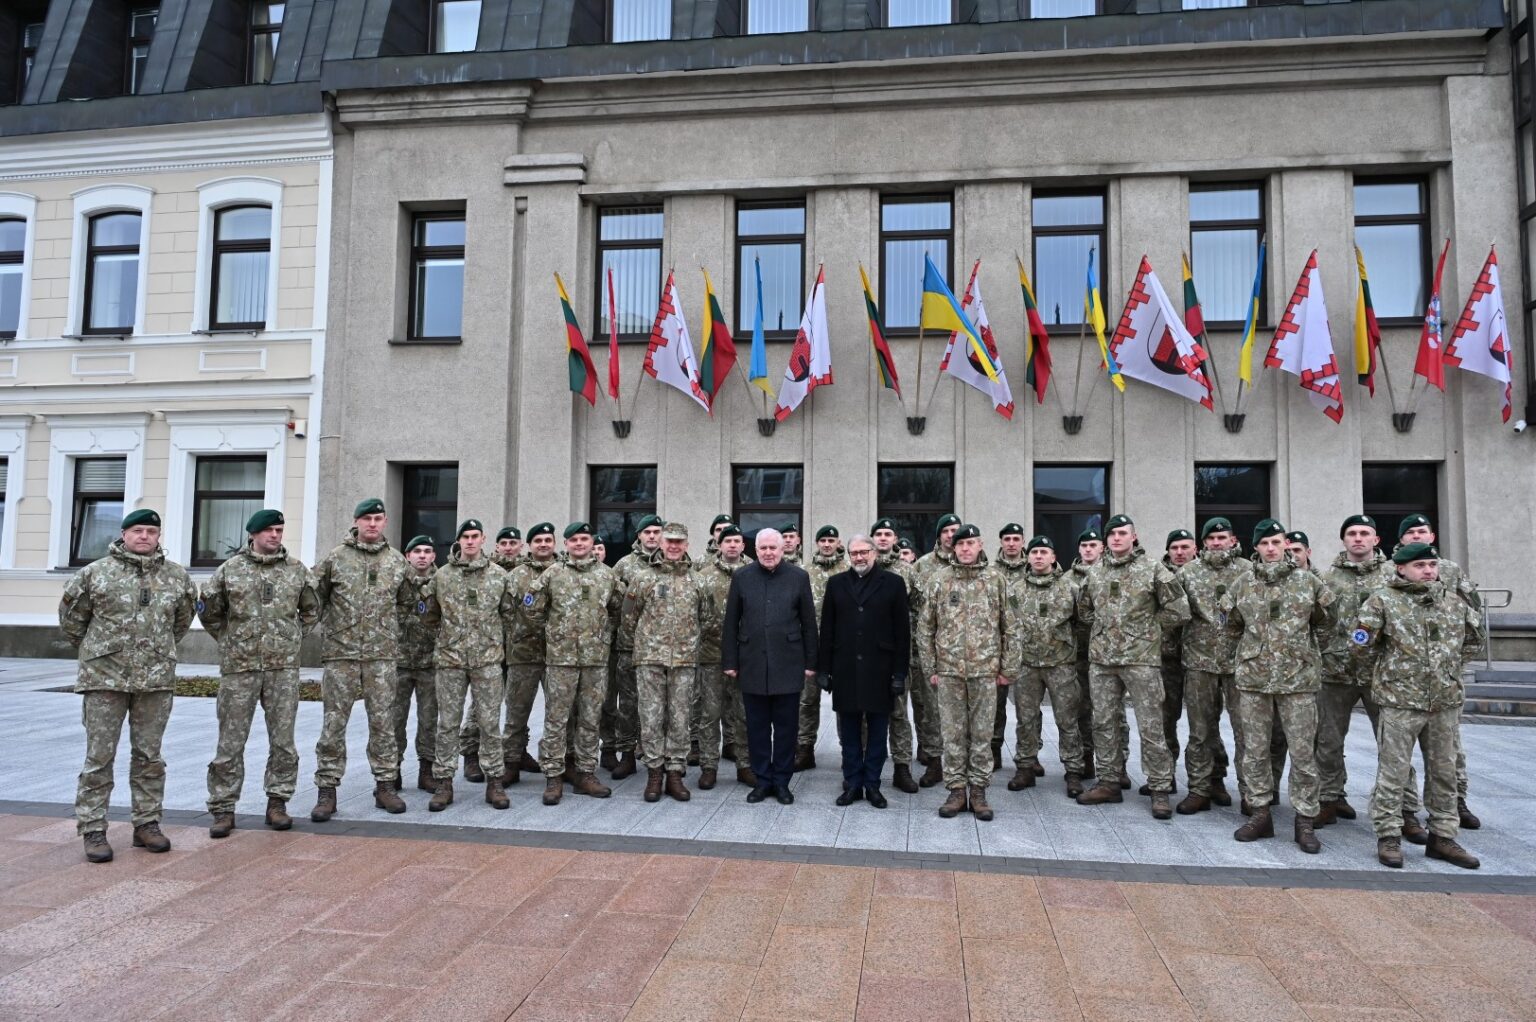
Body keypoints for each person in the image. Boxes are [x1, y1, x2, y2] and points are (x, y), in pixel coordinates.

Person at [59, 509, 197, 863]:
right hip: (104, 679)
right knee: (99, 757)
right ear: (124, 534)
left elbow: (181, 622)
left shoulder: (176, 577)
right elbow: (72, 621)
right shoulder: (95, 574)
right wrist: (101, 653)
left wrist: (155, 651)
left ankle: (147, 824)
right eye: (138, 530)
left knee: (150, 757)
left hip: (155, 679)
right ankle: (93, 828)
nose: (144, 536)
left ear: (159, 535)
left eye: (151, 531)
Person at [1355, 542, 1483, 869]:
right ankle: (1389, 835)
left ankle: (1443, 836)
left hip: (1443, 701)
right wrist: (1391, 675)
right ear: (1401, 569)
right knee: (1393, 772)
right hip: (1400, 702)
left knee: (1444, 771)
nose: (1428, 570)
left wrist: (1448, 671)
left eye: (1431, 565)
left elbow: (1473, 640)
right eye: (1419, 565)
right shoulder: (1383, 601)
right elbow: (1361, 646)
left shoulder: (1453, 603)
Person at [200, 509, 321, 837]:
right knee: (230, 742)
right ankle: (223, 807)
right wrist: (230, 640)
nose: (275, 535)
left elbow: (311, 609)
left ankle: (277, 802)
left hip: (282, 669)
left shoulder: (296, 570)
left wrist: (292, 638)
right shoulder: (230, 570)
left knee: (283, 741)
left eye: (279, 529)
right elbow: (210, 612)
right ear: (253, 534)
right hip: (240, 669)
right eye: (268, 530)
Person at [1223, 520, 1335, 852]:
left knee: (1302, 753)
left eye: (1276, 542)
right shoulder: (1242, 583)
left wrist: (1303, 654)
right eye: (1264, 543)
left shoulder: (1308, 582)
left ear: (1286, 544)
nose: (1271, 548)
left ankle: (1305, 820)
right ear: (1255, 547)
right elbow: (1230, 625)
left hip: (1298, 680)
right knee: (1255, 750)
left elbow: (1327, 623)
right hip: (1255, 679)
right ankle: (1260, 812)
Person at [310, 498, 419, 821]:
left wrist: (386, 631)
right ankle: (327, 790)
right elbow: (315, 598)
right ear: (356, 521)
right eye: (367, 518)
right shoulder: (336, 558)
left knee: (384, 723)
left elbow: (407, 602)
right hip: (341, 655)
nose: (372, 524)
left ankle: (385, 786)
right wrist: (333, 630)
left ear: (385, 522)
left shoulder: (396, 562)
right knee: (333, 724)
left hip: (381, 657)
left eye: (378, 519)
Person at [1075, 514, 1190, 819]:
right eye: (1111, 534)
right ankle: (1109, 781)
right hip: (1102, 660)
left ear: (1133, 537)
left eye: (1122, 533)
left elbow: (1179, 610)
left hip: (1141, 660)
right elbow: (1084, 610)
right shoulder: (1095, 571)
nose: (1116, 538)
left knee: (1151, 725)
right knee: (1104, 723)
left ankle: (1160, 788)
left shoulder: (1153, 569)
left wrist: (1147, 629)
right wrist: (1105, 630)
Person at [919, 524, 1019, 821]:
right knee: (952, 733)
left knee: (982, 734)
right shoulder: (939, 580)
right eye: (960, 544)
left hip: (985, 672)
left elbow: (1012, 627)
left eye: (970, 543)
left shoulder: (996, 579)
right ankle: (956, 790)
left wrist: (1008, 668)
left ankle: (978, 791)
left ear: (980, 545)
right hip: (948, 672)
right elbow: (925, 627)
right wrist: (931, 667)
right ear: (953, 547)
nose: (965, 549)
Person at [1317, 514, 1405, 830]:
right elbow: (1318, 621)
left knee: (1392, 744)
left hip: (1380, 674)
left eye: (1364, 533)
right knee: (1327, 741)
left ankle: (1401, 808)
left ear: (1376, 539)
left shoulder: (1394, 575)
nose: (1358, 538)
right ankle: (1329, 798)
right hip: (1335, 671)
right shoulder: (1328, 578)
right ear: (1343, 540)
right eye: (1352, 533)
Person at [422, 519, 517, 812]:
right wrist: (449, 639)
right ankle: (444, 782)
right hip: (450, 661)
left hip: (487, 661)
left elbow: (509, 614)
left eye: (475, 536)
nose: (471, 541)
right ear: (459, 540)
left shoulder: (499, 576)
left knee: (489, 723)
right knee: (447, 724)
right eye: (466, 536)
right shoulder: (442, 576)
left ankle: (495, 781)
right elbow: (430, 615)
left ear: (483, 539)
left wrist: (492, 642)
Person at [1396, 513, 1482, 830]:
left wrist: (1452, 662)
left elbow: (1472, 617)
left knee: (1449, 749)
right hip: (1404, 682)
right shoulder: (1391, 571)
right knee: (1398, 753)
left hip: (1444, 681)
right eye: (1411, 532)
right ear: (1401, 540)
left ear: (1432, 536)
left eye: (1422, 531)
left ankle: (1455, 802)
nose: (1417, 536)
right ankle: (1406, 808)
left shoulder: (1449, 570)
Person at [529, 522, 624, 805]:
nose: (579, 543)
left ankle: (585, 773)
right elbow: (532, 609)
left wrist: (601, 634)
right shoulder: (552, 574)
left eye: (584, 538)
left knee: (590, 718)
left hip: (595, 660)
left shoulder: (606, 575)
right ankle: (554, 775)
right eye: (574, 539)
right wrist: (554, 634)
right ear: (566, 544)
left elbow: (618, 609)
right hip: (561, 660)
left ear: (592, 542)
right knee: (557, 720)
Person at [722, 528, 818, 805]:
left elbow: (809, 623)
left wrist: (811, 662)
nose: (767, 553)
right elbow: (731, 622)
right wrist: (730, 661)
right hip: (751, 663)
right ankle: (763, 780)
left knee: (787, 729)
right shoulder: (742, 576)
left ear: (783, 549)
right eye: (762, 548)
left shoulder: (798, 577)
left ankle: (782, 782)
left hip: (788, 662)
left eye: (772, 548)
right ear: (755, 550)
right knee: (757, 728)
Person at [818, 534, 909, 808]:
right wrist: (824, 669)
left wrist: (899, 674)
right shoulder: (836, 583)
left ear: (874, 553)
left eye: (863, 552)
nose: (859, 557)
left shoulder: (893, 583)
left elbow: (902, 633)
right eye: (854, 553)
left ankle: (872, 785)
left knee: (878, 733)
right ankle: (853, 783)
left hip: (880, 669)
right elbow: (828, 628)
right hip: (845, 667)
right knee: (849, 733)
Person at [624, 522, 706, 802]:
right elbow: (628, 616)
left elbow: (706, 618)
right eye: (669, 541)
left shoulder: (698, 580)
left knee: (681, 717)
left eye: (678, 542)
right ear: (661, 543)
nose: (673, 546)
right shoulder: (643, 578)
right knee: (651, 717)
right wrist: (646, 644)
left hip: (684, 660)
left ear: (686, 545)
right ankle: (654, 773)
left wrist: (689, 644)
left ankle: (674, 773)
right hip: (650, 659)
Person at [1173, 518, 1246, 814]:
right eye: (1211, 539)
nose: (1216, 543)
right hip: (1199, 660)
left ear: (1232, 540)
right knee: (1200, 730)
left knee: (1246, 732)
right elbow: (1175, 612)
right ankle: (1200, 788)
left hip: (1240, 662)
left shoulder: (1248, 571)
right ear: (1203, 543)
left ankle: (1251, 793)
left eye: (1221, 537)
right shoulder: (1188, 572)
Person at [1006, 536, 1087, 798]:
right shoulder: (1015, 589)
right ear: (1028, 557)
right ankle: (1025, 767)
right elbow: (1008, 624)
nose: (1039, 556)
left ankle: (1073, 770)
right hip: (1027, 664)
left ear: (1053, 557)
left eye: (1044, 552)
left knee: (1067, 719)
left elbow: (1082, 622)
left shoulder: (1070, 588)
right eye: (1035, 552)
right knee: (1026, 719)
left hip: (1060, 664)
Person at [696, 524, 754, 789]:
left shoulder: (754, 572)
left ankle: (745, 765)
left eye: (737, 541)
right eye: (727, 541)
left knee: (744, 713)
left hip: (746, 656)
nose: (732, 545)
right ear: (719, 545)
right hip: (712, 655)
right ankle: (709, 766)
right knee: (710, 714)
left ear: (743, 545)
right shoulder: (703, 576)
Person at [500, 521, 558, 786]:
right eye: (538, 541)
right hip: (523, 654)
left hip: (558, 656)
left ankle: (557, 763)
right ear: (530, 545)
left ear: (554, 544)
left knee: (558, 714)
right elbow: (505, 612)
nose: (543, 544)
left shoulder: (563, 571)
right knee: (516, 712)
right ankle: (512, 761)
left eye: (548, 540)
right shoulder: (516, 575)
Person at [605, 514, 663, 777]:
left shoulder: (670, 564)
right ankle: (627, 754)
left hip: (661, 647)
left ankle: (660, 757)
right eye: (647, 532)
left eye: (656, 532)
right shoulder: (624, 565)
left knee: (661, 705)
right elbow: (613, 604)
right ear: (638, 535)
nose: (652, 536)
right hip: (629, 646)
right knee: (628, 704)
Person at [870, 519, 922, 793]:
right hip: (866, 655)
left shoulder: (907, 571)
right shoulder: (861, 568)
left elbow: (919, 610)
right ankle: (864, 767)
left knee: (899, 714)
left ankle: (902, 768)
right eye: (878, 534)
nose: (882, 538)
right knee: (864, 714)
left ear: (895, 539)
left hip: (897, 654)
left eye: (887, 534)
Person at [796, 525, 847, 770]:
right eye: (823, 540)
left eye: (831, 540)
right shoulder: (804, 572)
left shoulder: (848, 570)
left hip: (841, 647)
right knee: (807, 701)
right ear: (816, 543)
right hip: (811, 646)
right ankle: (805, 749)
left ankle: (849, 749)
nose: (827, 544)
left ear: (838, 543)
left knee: (845, 701)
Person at [396, 536, 439, 793]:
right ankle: (392, 771)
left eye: (427, 551)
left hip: (430, 662)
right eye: (417, 551)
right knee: (393, 721)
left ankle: (427, 771)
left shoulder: (442, 581)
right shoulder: (397, 580)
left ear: (433, 556)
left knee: (429, 721)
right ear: (407, 555)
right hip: (398, 661)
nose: (422, 555)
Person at [987, 523, 1030, 775]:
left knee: (1028, 709)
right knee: (996, 705)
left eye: (1016, 539)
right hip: (999, 650)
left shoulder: (1034, 567)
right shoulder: (991, 572)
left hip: (1033, 650)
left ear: (1023, 541)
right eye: (1007, 539)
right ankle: (994, 750)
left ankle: (1030, 756)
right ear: (1001, 542)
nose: (1012, 543)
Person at [1157, 528, 1198, 782]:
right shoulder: (1158, 576)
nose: (1180, 552)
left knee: (1203, 723)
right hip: (1167, 659)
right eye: (1174, 548)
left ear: (1195, 549)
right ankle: (1165, 775)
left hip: (1201, 659)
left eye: (1185, 547)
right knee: (1165, 720)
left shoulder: (1204, 575)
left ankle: (1209, 781)